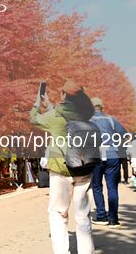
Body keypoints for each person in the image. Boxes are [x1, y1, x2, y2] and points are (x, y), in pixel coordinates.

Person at [30, 79, 95, 254]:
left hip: (61, 168)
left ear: (64, 95)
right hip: (84, 168)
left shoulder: (55, 117)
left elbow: (34, 119)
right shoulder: (86, 115)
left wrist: (38, 102)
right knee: (83, 216)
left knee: (58, 213)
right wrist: (50, 105)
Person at [89, 97, 127, 228]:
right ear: (102, 107)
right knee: (112, 187)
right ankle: (113, 219)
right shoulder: (111, 120)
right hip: (112, 154)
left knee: (97, 186)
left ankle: (101, 216)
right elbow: (125, 135)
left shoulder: (88, 121)